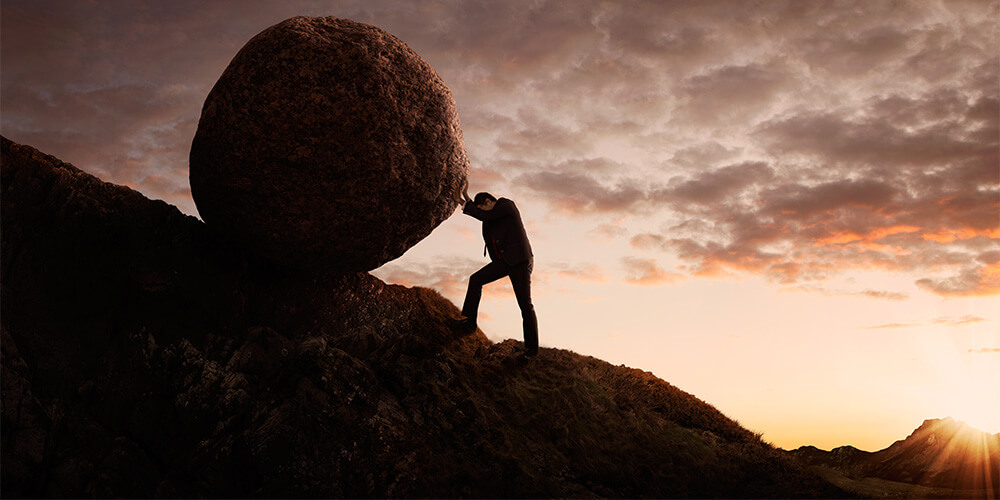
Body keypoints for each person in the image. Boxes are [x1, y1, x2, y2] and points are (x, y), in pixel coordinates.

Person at [452, 185, 539, 358]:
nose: (482, 213)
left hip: (520, 261)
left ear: (488, 201)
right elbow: (484, 215)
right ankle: (469, 323)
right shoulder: (490, 215)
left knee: (525, 305)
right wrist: (467, 201)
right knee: (475, 279)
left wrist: (465, 202)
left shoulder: (506, 205)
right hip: (505, 262)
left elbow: (485, 215)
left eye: (482, 207)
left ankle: (531, 350)